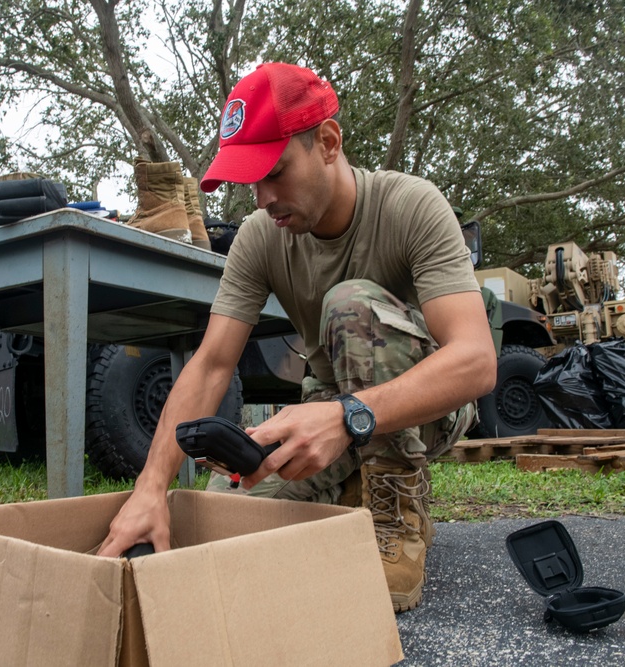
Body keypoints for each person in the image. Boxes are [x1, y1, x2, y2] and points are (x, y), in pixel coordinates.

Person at [98, 62, 497, 612]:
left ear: (328, 142)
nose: (262, 198)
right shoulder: (261, 238)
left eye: (275, 172)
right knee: (228, 520)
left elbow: (475, 361)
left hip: (425, 411)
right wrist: (151, 491)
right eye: (250, 181)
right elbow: (212, 365)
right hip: (328, 408)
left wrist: (345, 416)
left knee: (349, 302)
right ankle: (350, 488)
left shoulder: (411, 206)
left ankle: (395, 503)